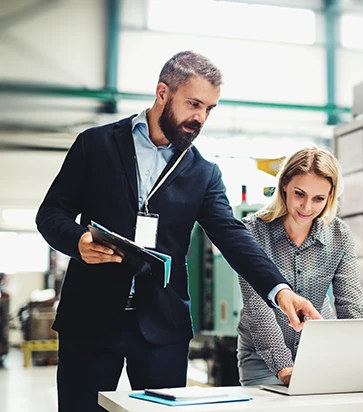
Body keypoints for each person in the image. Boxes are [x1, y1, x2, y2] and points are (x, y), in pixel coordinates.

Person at [36, 50, 321, 412]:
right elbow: (51, 214)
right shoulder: (96, 145)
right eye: (194, 104)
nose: (200, 117)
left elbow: (233, 237)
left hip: (161, 325)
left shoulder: (203, 172)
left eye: (209, 109)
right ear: (162, 93)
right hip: (90, 319)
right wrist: (77, 242)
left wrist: (281, 291)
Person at [236, 146, 363, 387]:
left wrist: (356, 359)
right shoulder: (252, 232)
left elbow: (350, 304)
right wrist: (285, 370)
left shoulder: (339, 235)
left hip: (319, 353)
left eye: (318, 198)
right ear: (284, 185)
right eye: (299, 194)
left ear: (331, 197)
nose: (307, 207)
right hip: (263, 357)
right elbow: (258, 309)